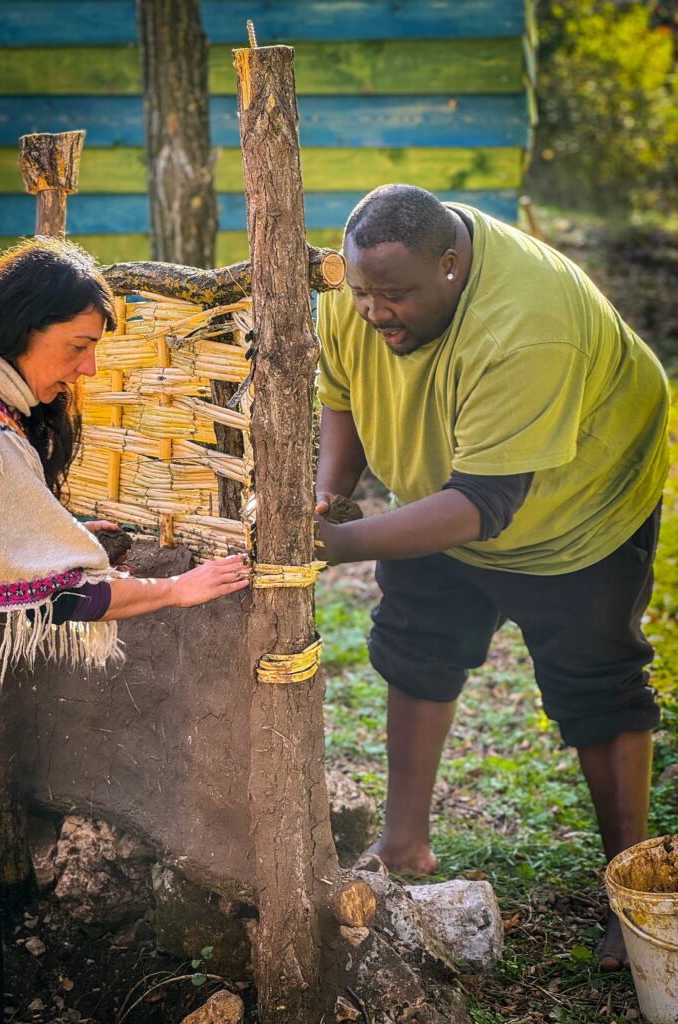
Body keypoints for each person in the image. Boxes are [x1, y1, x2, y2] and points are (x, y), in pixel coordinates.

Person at [314, 184, 670, 972]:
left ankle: (632, 900)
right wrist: (326, 499)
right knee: (415, 643)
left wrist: (339, 545)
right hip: (449, 490)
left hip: (580, 505)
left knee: (596, 683)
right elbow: (339, 393)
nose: (373, 313)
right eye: (363, 293)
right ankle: (403, 842)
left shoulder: (527, 325)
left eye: (394, 296)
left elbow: (485, 503)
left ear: (450, 266)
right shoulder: (359, 287)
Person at [0, 237, 250, 1022]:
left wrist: (57, 526)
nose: (89, 370)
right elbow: (64, 596)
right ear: (26, 325)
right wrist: (175, 591)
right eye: (80, 347)